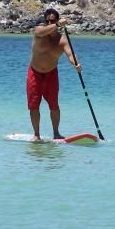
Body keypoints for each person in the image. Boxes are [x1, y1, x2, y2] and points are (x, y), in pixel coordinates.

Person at [27, 8, 82, 142]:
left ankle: (56, 133)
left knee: (54, 105)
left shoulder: (61, 40)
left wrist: (76, 64)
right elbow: (39, 31)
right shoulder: (39, 32)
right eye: (47, 21)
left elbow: (70, 53)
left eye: (53, 20)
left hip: (51, 74)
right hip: (35, 73)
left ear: (57, 20)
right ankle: (36, 135)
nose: (50, 23)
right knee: (34, 105)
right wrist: (57, 25)